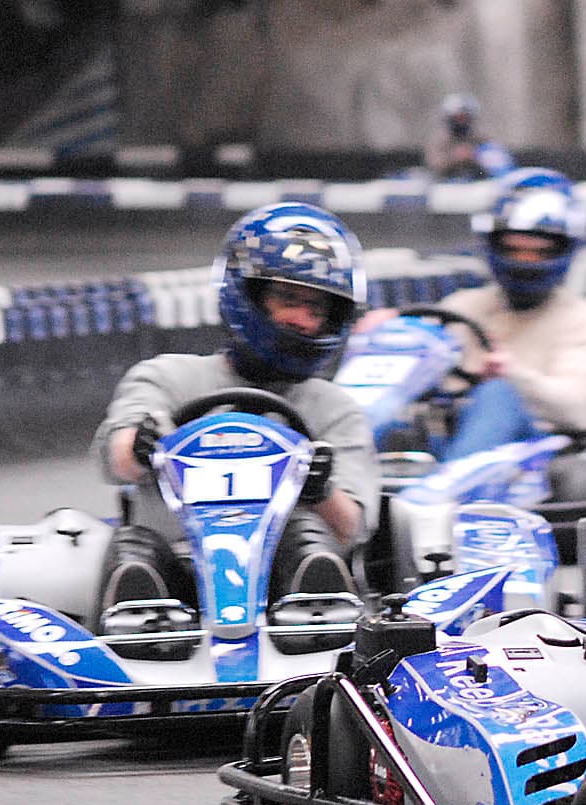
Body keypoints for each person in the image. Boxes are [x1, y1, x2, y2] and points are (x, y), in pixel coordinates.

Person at [91, 201, 380, 620]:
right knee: (135, 552)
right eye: (288, 300)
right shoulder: (167, 377)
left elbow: (352, 528)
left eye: (315, 309)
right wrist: (139, 444)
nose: (301, 319)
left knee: (307, 540)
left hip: (288, 596)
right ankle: (140, 628)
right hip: (172, 574)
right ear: (248, 295)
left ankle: (317, 621)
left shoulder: (334, 409)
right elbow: (117, 459)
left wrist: (319, 489)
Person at [366, 167, 586, 460]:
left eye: (538, 251)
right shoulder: (462, 307)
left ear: (563, 250)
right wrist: (386, 334)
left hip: (535, 459)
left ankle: (443, 496)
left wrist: (512, 375)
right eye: (513, 249)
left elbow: (583, 410)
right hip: (448, 441)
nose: (524, 261)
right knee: (395, 415)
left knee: (497, 395)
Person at [422, 92, 514, 181]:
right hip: (447, 187)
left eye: (464, 118)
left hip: (480, 186)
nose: (461, 122)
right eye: (457, 118)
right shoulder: (440, 141)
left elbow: (500, 162)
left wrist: (475, 157)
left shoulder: (482, 139)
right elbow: (435, 165)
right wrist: (455, 158)